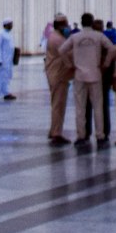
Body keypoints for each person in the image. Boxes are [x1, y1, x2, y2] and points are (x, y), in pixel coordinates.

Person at [65, 12, 114, 150]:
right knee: (98, 106)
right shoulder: (98, 36)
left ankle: (81, 135)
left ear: (81, 22)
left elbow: (62, 50)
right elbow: (111, 48)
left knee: (80, 107)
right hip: (95, 74)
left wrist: (70, 64)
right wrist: (105, 64)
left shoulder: (75, 37)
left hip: (79, 75)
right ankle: (100, 135)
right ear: (92, 23)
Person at [44, 13, 74, 145]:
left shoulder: (55, 36)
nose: (68, 26)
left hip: (56, 74)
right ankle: (57, 133)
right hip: (58, 75)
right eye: (66, 24)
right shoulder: (58, 39)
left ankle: (53, 130)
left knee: (56, 104)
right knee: (59, 105)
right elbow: (67, 55)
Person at [0, 20, 18, 101]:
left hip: (8, 60)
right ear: (6, 25)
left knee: (6, 76)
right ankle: (2, 92)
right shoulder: (0, 34)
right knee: (1, 77)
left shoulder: (9, 34)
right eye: (10, 24)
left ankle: (6, 92)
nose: (11, 26)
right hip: (2, 60)